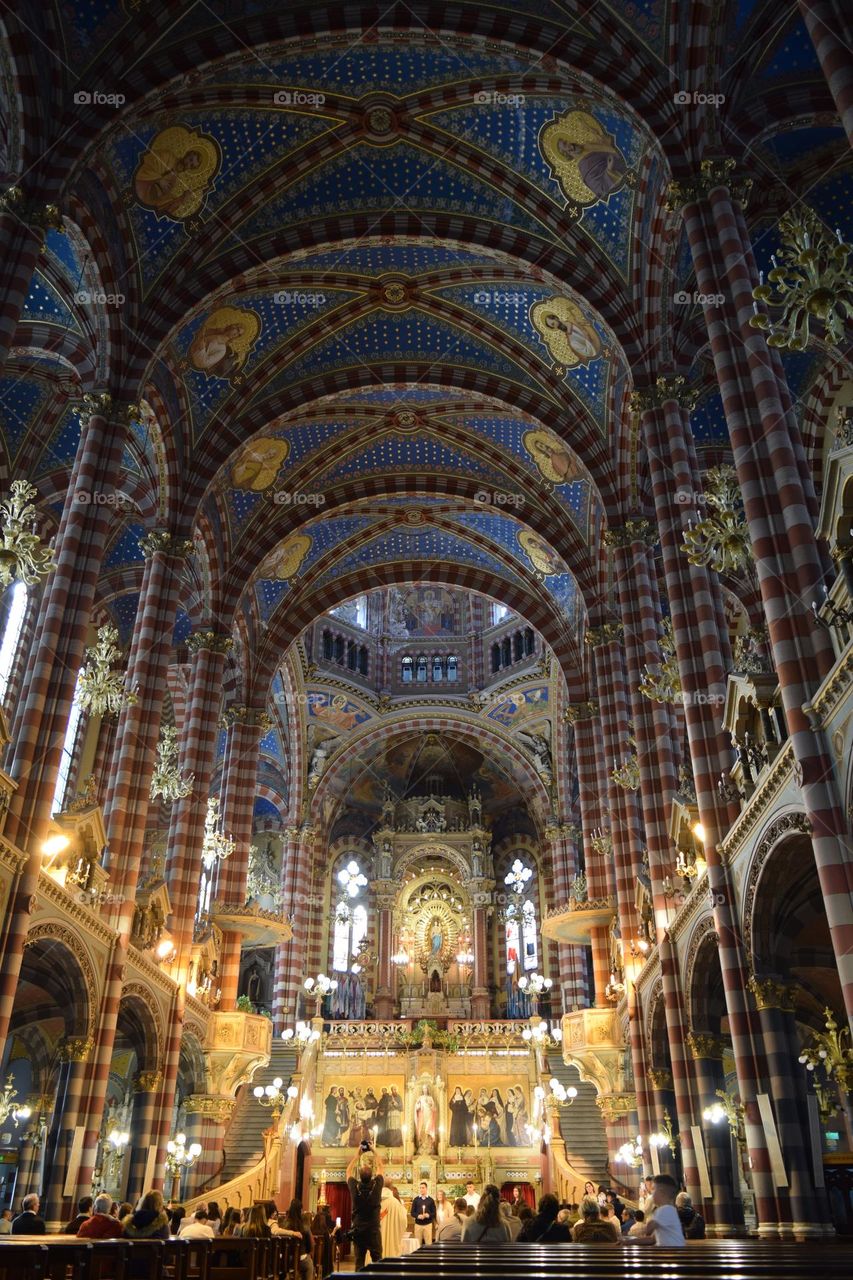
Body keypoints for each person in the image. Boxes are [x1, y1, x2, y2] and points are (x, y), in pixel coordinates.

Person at [347, 1153, 383, 1269]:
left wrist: (356, 1156)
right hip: (373, 1231)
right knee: (378, 1261)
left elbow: (348, 1172)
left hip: (359, 1231)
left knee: (359, 1262)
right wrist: (374, 1151)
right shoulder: (376, 1187)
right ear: (372, 1176)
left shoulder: (354, 1187)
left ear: (360, 1176)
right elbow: (381, 1168)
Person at [636, 1175, 685, 1247]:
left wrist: (633, 1230)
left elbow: (648, 1230)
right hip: (670, 1251)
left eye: (653, 1189)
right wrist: (627, 1242)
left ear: (661, 1192)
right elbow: (652, 1239)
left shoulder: (664, 1210)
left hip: (671, 1252)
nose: (651, 1193)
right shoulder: (670, 1209)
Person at [283, 1198, 314, 1279]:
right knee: (310, 1265)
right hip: (301, 1259)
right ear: (300, 1210)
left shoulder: (284, 1224)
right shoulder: (304, 1226)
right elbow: (310, 1246)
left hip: (286, 1260)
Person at [379, 1184, 406, 1258]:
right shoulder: (396, 1203)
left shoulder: (374, 1200)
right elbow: (403, 1221)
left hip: (377, 1236)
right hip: (391, 1236)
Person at [410, 1180, 436, 1247]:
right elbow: (412, 1213)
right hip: (418, 1225)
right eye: (420, 1188)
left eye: (423, 1188)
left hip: (428, 1225)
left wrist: (428, 1215)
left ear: (426, 1189)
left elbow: (434, 1213)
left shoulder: (431, 1200)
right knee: (417, 1244)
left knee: (428, 1244)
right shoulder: (416, 1200)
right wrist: (418, 1216)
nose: (421, 1189)